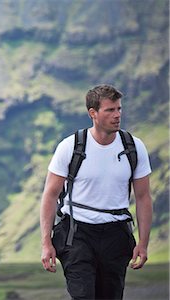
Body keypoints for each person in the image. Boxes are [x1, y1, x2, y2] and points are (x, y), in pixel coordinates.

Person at [40, 84, 153, 299]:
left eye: (119, 109)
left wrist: (144, 244)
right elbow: (50, 195)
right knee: (83, 296)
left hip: (117, 234)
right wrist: (46, 243)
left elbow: (143, 197)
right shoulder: (70, 147)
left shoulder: (134, 147)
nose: (117, 115)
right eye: (110, 110)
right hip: (77, 234)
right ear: (93, 113)